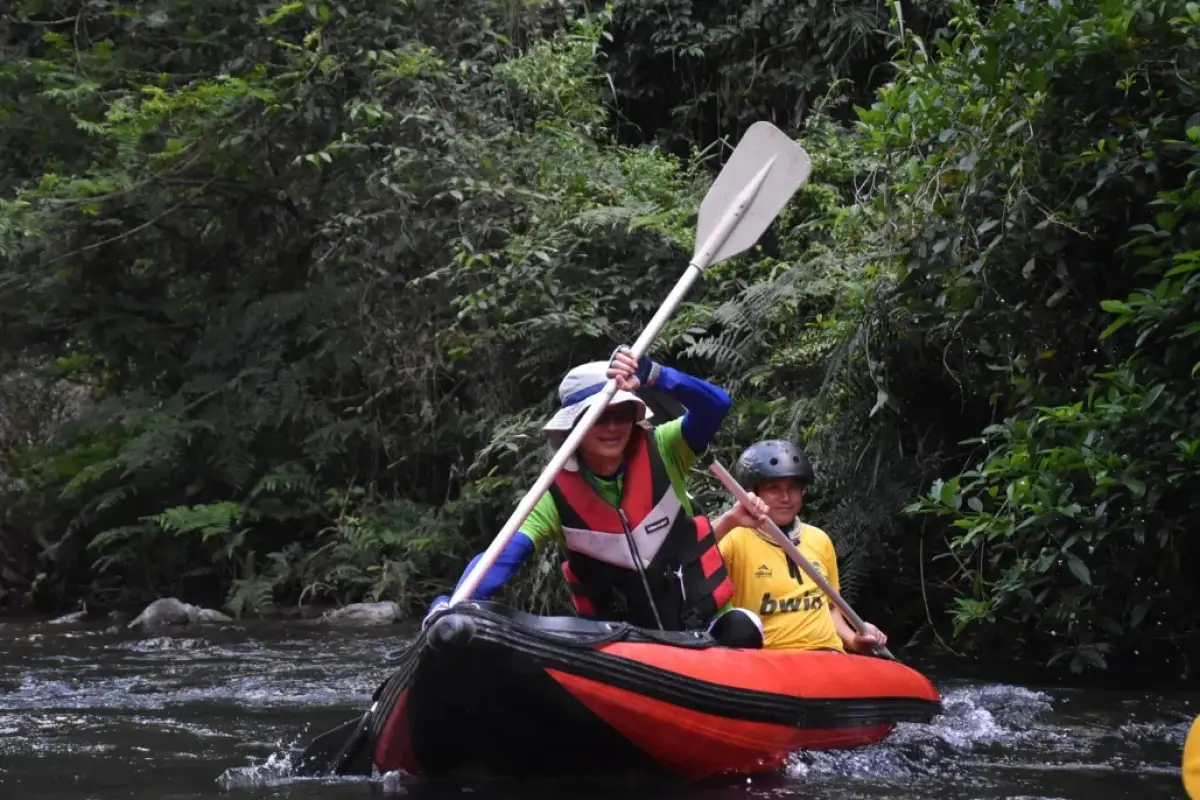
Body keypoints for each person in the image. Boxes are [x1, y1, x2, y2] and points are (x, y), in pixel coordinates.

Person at [425, 345, 768, 647]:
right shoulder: (553, 493)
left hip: (703, 630)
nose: (613, 427)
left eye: (621, 415)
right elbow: (502, 555)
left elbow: (716, 406)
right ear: (574, 425)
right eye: (599, 417)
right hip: (626, 645)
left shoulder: (666, 447)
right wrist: (455, 601)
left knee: (742, 627)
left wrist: (657, 376)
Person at [716, 439, 888, 653]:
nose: (786, 497)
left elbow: (829, 608)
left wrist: (853, 640)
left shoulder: (819, 539)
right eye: (773, 488)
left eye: (793, 488)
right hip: (772, 660)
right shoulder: (733, 539)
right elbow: (686, 553)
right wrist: (729, 520)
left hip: (828, 653)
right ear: (752, 493)